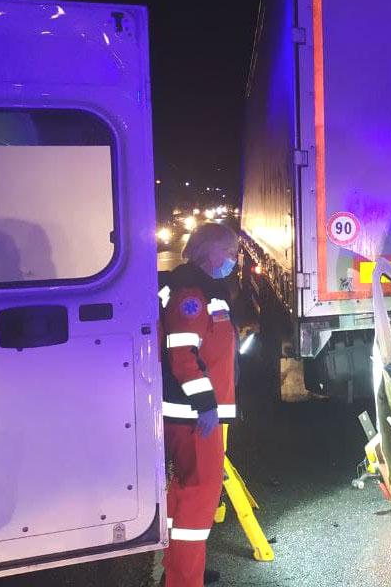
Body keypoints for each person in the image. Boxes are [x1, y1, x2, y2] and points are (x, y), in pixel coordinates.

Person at [158, 223, 239, 586]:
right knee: (196, 504)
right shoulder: (191, 293)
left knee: (184, 501)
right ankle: (185, 580)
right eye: (229, 251)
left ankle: (180, 569)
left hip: (193, 417)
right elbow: (183, 356)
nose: (234, 259)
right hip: (194, 419)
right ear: (209, 251)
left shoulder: (200, 287)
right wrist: (206, 404)